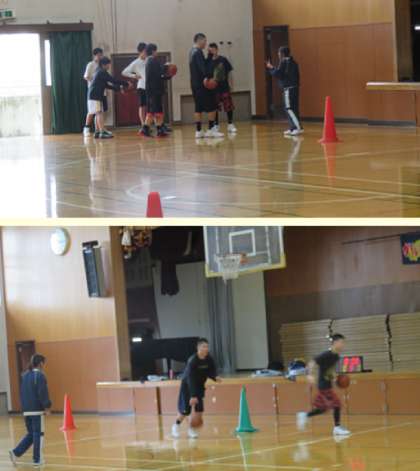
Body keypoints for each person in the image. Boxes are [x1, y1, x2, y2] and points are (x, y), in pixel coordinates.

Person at [296, 334, 351, 436]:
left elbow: (329, 370)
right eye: (342, 342)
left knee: (322, 409)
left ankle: (304, 415)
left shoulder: (336, 356)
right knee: (337, 405)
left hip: (327, 384)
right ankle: (337, 428)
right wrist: (309, 375)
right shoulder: (326, 354)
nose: (343, 344)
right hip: (323, 385)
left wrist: (335, 377)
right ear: (335, 343)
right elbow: (311, 363)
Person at [172, 338, 221, 439]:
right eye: (204, 346)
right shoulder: (193, 361)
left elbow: (211, 370)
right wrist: (193, 396)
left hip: (199, 386)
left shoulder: (209, 359)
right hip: (188, 386)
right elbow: (191, 379)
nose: (206, 349)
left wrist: (215, 377)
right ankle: (176, 426)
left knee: (199, 409)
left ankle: (191, 429)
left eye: (207, 346)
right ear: (198, 348)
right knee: (186, 411)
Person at [9, 354, 52, 467]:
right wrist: (47, 406)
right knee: (38, 435)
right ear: (41, 363)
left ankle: (15, 452)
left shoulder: (25, 376)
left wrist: (24, 409)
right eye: (44, 363)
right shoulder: (40, 376)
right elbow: (42, 392)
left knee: (31, 435)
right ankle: (37, 460)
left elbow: (22, 393)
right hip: (36, 411)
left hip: (26, 411)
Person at [189, 33, 224, 139]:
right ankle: (211, 130)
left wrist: (208, 56)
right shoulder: (198, 52)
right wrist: (209, 78)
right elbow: (203, 68)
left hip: (194, 85)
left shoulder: (191, 51)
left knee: (198, 108)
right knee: (213, 106)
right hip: (203, 84)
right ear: (199, 40)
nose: (206, 43)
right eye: (205, 41)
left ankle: (198, 131)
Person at [88, 57, 130, 139]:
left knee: (97, 113)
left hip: (93, 95)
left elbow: (106, 85)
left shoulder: (98, 71)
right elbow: (113, 80)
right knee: (99, 113)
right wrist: (126, 83)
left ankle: (97, 132)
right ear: (103, 64)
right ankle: (102, 132)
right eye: (108, 65)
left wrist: (118, 88)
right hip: (95, 95)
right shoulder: (102, 72)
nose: (109, 66)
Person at [266, 46, 303, 136]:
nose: (278, 54)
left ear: (282, 54)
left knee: (289, 108)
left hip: (288, 89)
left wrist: (271, 68)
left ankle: (297, 128)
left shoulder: (284, 62)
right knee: (293, 108)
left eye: (279, 53)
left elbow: (279, 74)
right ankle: (292, 127)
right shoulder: (293, 62)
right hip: (295, 88)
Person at [140, 43, 170, 138]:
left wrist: (166, 75)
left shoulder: (149, 61)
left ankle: (153, 129)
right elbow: (159, 75)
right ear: (153, 51)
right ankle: (154, 130)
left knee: (153, 112)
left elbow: (157, 75)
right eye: (156, 51)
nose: (157, 52)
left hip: (151, 91)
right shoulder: (153, 61)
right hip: (154, 91)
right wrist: (167, 69)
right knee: (156, 112)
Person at [207, 43, 237, 135]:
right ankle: (216, 125)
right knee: (215, 107)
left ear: (216, 49)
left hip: (224, 87)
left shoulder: (223, 60)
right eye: (210, 51)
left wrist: (231, 84)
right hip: (214, 89)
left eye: (213, 50)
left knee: (228, 106)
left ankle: (230, 124)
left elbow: (230, 73)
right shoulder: (208, 62)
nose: (212, 52)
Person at [122, 42, 148, 132]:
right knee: (142, 106)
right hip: (141, 87)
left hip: (150, 87)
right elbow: (124, 72)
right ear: (140, 51)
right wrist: (134, 76)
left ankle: (149, 125)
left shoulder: (149, 60)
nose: (146, 53)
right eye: (145, 51)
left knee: (150, 107)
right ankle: (143, 125)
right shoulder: (136, 63)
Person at [83, 48, 104, 137]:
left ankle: (98, 130)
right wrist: (95, 81)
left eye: (101, 55)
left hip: (101, 91)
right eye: (98, 55)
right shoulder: (91, 64)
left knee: (99, 111)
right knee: (92, 111)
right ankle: (86, 129)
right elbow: (86, 76)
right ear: (95, 55)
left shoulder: (101, 65)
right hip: (93, 91)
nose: (100, 57)